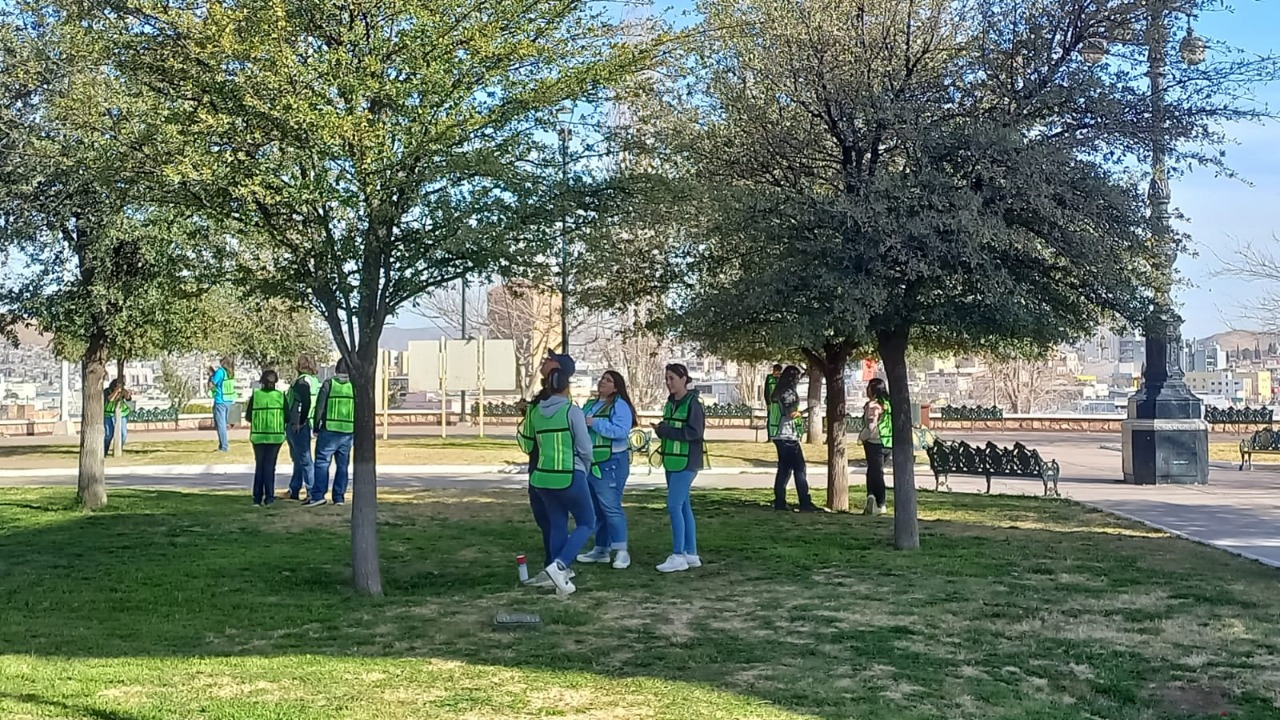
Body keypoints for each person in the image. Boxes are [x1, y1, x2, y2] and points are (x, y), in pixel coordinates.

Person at [526, 353, 596, 596]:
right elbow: (585, 448)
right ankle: (560, 565)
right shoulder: (572, 411)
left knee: (557, 523)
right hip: (569, 473)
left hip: (542, 477)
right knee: (587, 522)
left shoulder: (535, 412)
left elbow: (529, 442)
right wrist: (585, 467)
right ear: (567, 387)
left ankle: (554, 574)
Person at [576, 370, 638, 570]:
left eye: (608, 380)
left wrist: (595, 423)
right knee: (597, 509)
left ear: (616, 387)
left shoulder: (620, 405)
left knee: (611, 507)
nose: (602, 382)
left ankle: (621, 551)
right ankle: (601, 549)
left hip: (612, 462)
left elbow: (621, 431)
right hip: (591, 463)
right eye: (602, 378)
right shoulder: (590, 404)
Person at [652, 363, 706, 573]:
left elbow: (694, 433)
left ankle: (678, 555)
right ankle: (690, 553)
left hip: (687, 461)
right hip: (672, 460)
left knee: (674, 506)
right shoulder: (671, 402)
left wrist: (667, 430)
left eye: (672, 378)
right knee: (683, 506)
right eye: (666, 378)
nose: (668, 382)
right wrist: (661, 430)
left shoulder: (693, 404)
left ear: (684, 379)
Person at [517, 352, 561, 588]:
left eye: (549, 360)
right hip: (538, 463)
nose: (544, 362)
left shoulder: (555, 399)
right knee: (545, 518)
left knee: (552, 519)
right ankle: (554, 564)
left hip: (549, 466)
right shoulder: (542, 396)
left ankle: (556, 566)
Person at [771, 365, 820, 512]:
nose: (798, 380)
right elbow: (791, 413)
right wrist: (806, 411)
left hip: (780, 435)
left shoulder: (779, 391)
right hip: (788, 435)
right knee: (799, 468)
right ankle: (804, 501)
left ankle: (780, 501)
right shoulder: (788, 393)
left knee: (784, 469)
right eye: (797, 377)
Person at [308, 358, 355, 507]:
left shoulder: (329, 383)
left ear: (336, 369)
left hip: (329, 430)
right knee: (342, 466)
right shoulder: (355, 385)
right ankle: (339, 497)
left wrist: (316, 426)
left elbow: (320, 407)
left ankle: (318, 495)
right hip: (348, 432)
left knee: (322, 463)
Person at [282, 354, 321, 501]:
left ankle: (311, 491)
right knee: (299, 459)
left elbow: (305, 402)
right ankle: (294, 489)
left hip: (298, 424)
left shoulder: (302, 382)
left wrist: (300, 422)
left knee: (304, 459)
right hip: (308, 421)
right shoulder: (314, 381)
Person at [246, 369, 286, 507]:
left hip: (258, 436)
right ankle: (269, 497)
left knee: (260, 466)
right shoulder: (280, 396)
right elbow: (287, 416)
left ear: (262, 381)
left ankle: (257, 498)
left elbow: (248, 416)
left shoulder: (256, 396)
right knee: (270, 466)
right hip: (276, 437)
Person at [861, 378, 892, 515]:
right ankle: (873, 498)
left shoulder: (873, 405)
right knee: (875, 471)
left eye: (868, 387)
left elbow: (871, 425)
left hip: (875, 442)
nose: (866, 389)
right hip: (889, 442)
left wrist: (863, 437)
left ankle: (877, 501)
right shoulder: (889, 403)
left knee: (875, 472)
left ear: (873, 389)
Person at [209, 356, 236, 452]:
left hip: (220, 400)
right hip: (230, 400)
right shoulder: (231, 373)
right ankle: (223, 445)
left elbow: (211, 384)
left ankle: (224, 446)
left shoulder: (220, 372)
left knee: (221, 425)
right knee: (224, 424)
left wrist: (211, 375)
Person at [103, 378, 132, 456]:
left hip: (121, 414)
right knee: (108, 435)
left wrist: (126, 394)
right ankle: (104, 450)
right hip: (108, 414)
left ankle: (119, 448)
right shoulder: (106, 391)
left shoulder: (123, 390)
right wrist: (116, 391)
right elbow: (110, 399)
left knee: (123, 434)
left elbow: (128, 398)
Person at [764, 364, 783, 441]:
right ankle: (770, 437)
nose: (776, 372)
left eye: (778, 371)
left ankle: (779, 436)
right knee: (770, 419)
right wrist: (768, 403)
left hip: (780, 404)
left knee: (780, 420)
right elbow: (766, 391)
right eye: (775, 370)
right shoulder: (769, 378)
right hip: (772, 403)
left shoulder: (782, 378)